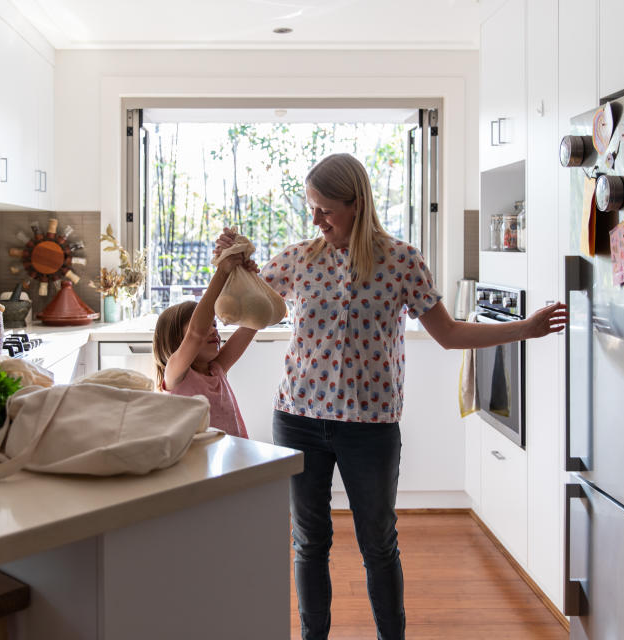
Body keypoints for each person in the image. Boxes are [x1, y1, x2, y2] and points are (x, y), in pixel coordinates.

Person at [216, 153, 567, 640]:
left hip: (371, 427)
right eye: (310, 208)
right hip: (298, 417)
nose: (315, 220)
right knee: (308, 543)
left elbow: (447, 333)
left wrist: (523, 329)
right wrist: (232, 266)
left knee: (378, 544)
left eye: (325, 209)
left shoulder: (402, 261)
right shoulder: (298, 258)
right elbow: (243, 308)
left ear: (356, 203)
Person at [152, 243, 258, 439]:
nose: (214, 331)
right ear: (177, 338)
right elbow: (196, 333)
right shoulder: (176, 375)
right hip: (199, 465)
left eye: (216, 325)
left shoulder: (217, 369)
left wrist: (248, 278)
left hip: (233, 460)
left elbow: (253, 322)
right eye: (208, 325)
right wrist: (222, 272)